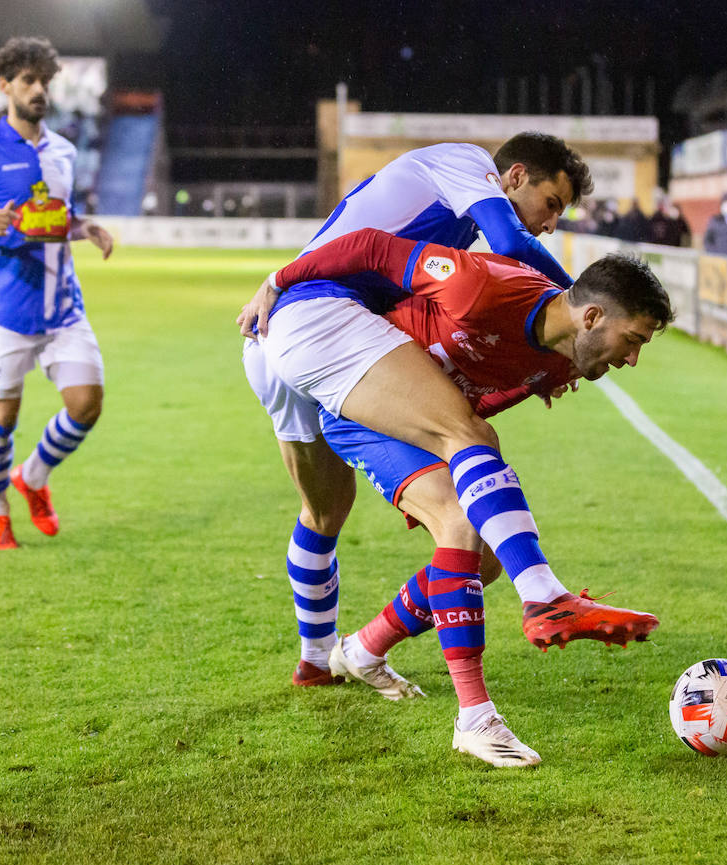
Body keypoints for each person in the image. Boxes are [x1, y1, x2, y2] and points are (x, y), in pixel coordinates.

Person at [238, 134, 650, 690]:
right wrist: (577, 296)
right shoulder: (465, 165)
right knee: (465, 442)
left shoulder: (460, 226)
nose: (549, 224)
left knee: (332, 513)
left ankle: (326, 657)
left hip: (310, 329)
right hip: (318, 316)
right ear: (516, 176)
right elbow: (506, 240)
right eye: (551, 204)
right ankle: (539, 605)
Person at [267, 228, 670, 766]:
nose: (633, 359)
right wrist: (276, 282)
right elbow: (370, 246)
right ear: (592, 317)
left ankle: (364, 650)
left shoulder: (559, 361)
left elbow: (477, 401)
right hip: (356, 400)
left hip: (418, 421)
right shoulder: (483, 285)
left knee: (481, 562)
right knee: (462, 506)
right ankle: (481, 709)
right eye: (634, 339)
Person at [0, 36, 115, 550]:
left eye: (45, 81)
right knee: (2, 415)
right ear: (5, 87)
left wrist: (85, 228)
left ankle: (32, 476)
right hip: (4, 306)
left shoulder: (64, 151)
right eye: (28, 81)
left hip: (62, 305)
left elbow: (55, 216)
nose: (39, 90)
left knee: (86, 403)